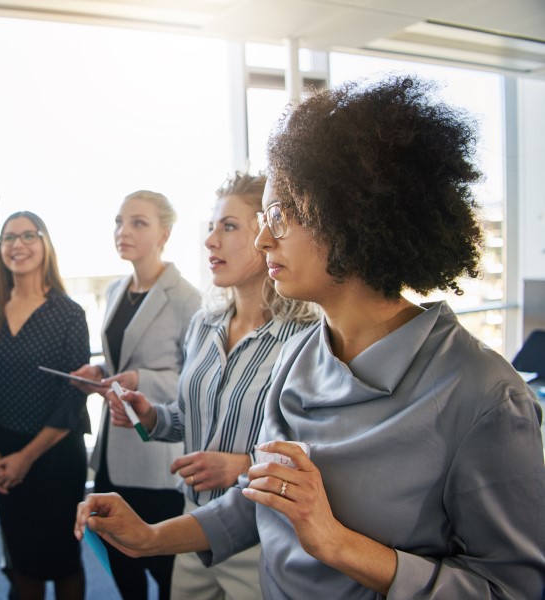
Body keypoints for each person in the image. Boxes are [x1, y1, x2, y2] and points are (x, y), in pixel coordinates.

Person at [75, 75, 545, 599]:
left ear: (352, 217)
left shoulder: (485, 396)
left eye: (280, 215)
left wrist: (338, 544)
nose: (262, 237)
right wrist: (150, 538)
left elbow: (510, 589)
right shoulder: (300, 354)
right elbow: (262, 500)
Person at [106, 173, 317, 599]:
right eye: (210, 228)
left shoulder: (305, 337)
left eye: (229, 226)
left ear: (267, 234)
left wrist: (241, 467)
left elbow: (319, 451)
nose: (210, 242)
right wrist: (153, 416)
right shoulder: (204, 324)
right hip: (194, 524)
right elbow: (192, 417)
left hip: (263, 533)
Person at [70, 191, 200, 600]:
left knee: (164, 569)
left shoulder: (187, 298)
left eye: (138, 222)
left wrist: (139, 378)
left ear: (165, 232)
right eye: (119, 222)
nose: (123, 231)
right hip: (113, 448)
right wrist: (101, 373)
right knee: (119, 559)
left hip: (154, 454)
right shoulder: (115, 291)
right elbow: (119, 361)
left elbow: (196, 378)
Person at [0, 211, 90, 600]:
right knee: (22, 561)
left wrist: (26, 457)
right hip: (2, 453)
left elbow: (71, 399)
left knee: (64, 560)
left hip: (55, 455)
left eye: (28, 235)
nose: (17, 245)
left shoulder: (70, 314)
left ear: (45, 244)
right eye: (8, 238)